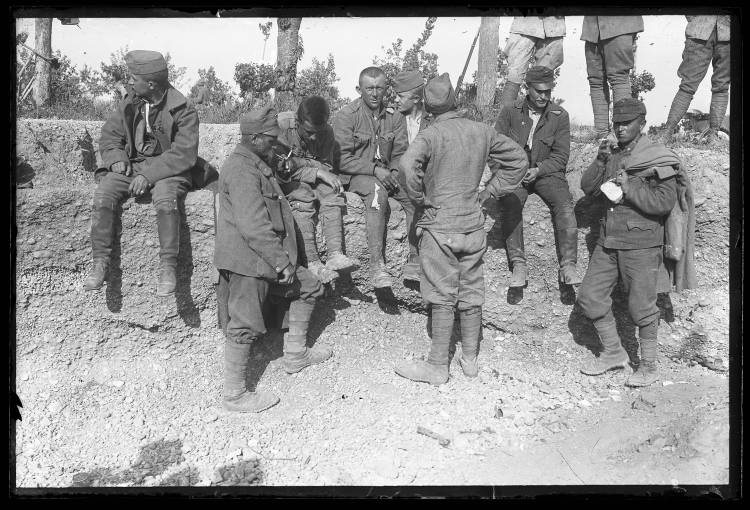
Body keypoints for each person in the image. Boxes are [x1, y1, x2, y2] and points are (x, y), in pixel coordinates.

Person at [394, 73, 528, 385]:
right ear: (456, 102)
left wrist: (418, 198)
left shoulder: (430, 135)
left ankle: (438, 366)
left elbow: (405, 167)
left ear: (428, 107)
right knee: (470, 291)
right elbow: (519, 161)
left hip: (440, 225)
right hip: (472, 225)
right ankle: (469, 359)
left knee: (442, 294)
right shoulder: (481, 131)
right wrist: (490, 192)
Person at [214, 105, 333, 413]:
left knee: (309, 286)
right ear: (255, 138)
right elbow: (253, 226)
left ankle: (295, 355)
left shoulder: (257, 161)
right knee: (244, 325)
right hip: (249, 264)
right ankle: (235, 395)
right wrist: (281, 262)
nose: (276, 143)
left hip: (267, 261)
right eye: (271, 138)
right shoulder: (241, 170)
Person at [577, 98, 679, 388]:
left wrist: (630, 188)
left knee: (642, 307)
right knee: (589, 296)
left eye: (626, 123)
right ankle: (613, 353)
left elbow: (664, 202)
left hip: (641, 243)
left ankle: (648, 366)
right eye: (616, 123)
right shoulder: (612, 153)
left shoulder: (656, 156)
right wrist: (600, 160)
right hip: (609, 240)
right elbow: (587, 188)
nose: (620, 128)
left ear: (642, 124)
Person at [84, 50, 199, 296]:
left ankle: (168, 267)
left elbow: (184, 154)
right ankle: (100, 262)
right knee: (104, 192)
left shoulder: (184, 109)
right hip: (133, 165)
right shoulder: (131, 101)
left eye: (134, 78)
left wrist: (148, 176)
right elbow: (110, 135)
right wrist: (116, 159)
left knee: (166, 198)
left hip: (169, 170)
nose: (130, 83)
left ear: (151, 83)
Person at [494, 66, 581, 288]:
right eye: (539, 91)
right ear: (527, 88)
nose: (544, 96)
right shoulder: (510, 112)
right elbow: (495, 149)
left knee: (565, 206)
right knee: (510, 202)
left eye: (548, 91)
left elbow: (561, 156)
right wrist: (508, 173)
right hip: (516, 174)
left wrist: (539, 170)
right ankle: (518, 265)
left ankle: (569, 265)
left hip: (547, 174)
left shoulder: (559, 116)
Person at [333, 66, 417, 289]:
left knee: (415, 195)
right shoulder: (347, 116)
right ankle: (376, 266)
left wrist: (396, 175)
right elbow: (341, 159)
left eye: (379, 88)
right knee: (377, 193)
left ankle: (415, 261)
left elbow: (400, 153)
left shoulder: (395, 116)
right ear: (359, 89)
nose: (374, 93)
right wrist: (375, 170)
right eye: (369, 88)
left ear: (386, 90)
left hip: (387, 174)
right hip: (357, 176)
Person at [276, 96, 358, 284]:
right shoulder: (281, 125)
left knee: (333, 191)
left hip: (310, 175)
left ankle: (335, 254)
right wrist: (315, 170)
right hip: (287, 179)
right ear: (297, 122)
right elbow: (281, 168)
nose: (314, 138)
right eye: (309, 132)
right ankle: (313, 262)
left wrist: (308, 168)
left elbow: (326, 167)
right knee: (302, 196)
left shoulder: (327, 132)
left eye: (318, 133)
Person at [661, 15, 730, 143]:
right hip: (700, 29)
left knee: (722, 86)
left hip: (729, 31)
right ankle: (667, 132)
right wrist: (695, 19)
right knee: (687, 86)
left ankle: (713, 136)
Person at [393, 69, 430, 283]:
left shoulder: (432, 119)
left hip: (427, 175)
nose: (396, 100)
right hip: (400, 177)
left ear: (416, 98)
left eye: (401, 96)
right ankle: (415, 257)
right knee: (411, 201)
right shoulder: (392, 118)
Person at [581, 16, 644, 139]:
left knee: (618, 77)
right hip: (592, 27)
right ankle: (601, 133)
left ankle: (621, 135)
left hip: (620, 24)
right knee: (595, 80)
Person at [498, 16, 566, 108]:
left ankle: (538, 120)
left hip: (553, 24)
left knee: (544, 77)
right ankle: (504, 120)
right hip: (525, 22)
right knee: (514, 75)